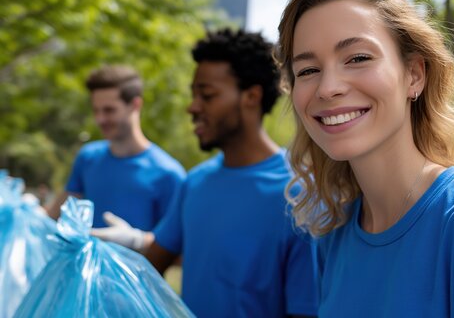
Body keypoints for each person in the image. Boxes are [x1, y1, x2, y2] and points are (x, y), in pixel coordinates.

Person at [275, 0, 454, 317]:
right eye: (307, 70)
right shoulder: (333, 239)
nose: (327, 88)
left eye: (357, 58)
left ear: (414, 74)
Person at [93, 29, 319, 317]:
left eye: (207, 95)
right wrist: (133, 242)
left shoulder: (298, 195)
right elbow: (156, 261)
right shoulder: (196, 183)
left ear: (251, 96)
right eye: (193, 95)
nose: (192, 107)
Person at [46, 65, 186, 250]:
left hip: (134, 278)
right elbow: (55, 214)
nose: (100, 119)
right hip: (83, 277)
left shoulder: (168, 174)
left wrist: (137, 241)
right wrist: (22, 210)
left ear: (135, 105)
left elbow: (179, 249)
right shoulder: (88, 158)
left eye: (109, 110)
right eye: (96, 110)